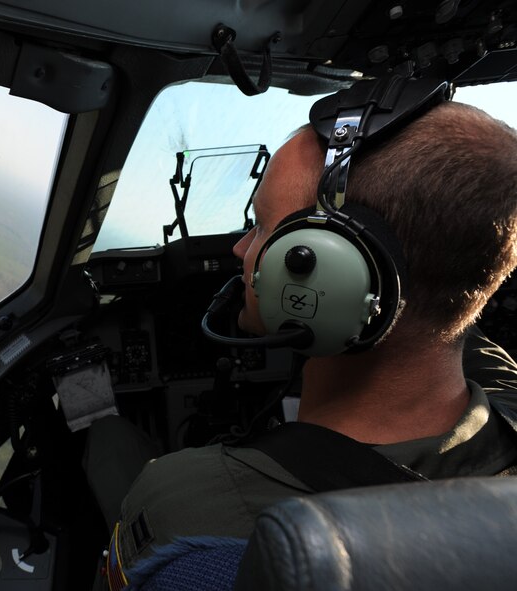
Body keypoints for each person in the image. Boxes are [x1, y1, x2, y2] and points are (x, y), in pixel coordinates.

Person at [88, 99, 517, 579]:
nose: (240, 249)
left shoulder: (187, 503)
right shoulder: (507, 392)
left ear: (333, 278)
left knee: (106, 438)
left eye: (264, 229)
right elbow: (449, 282)